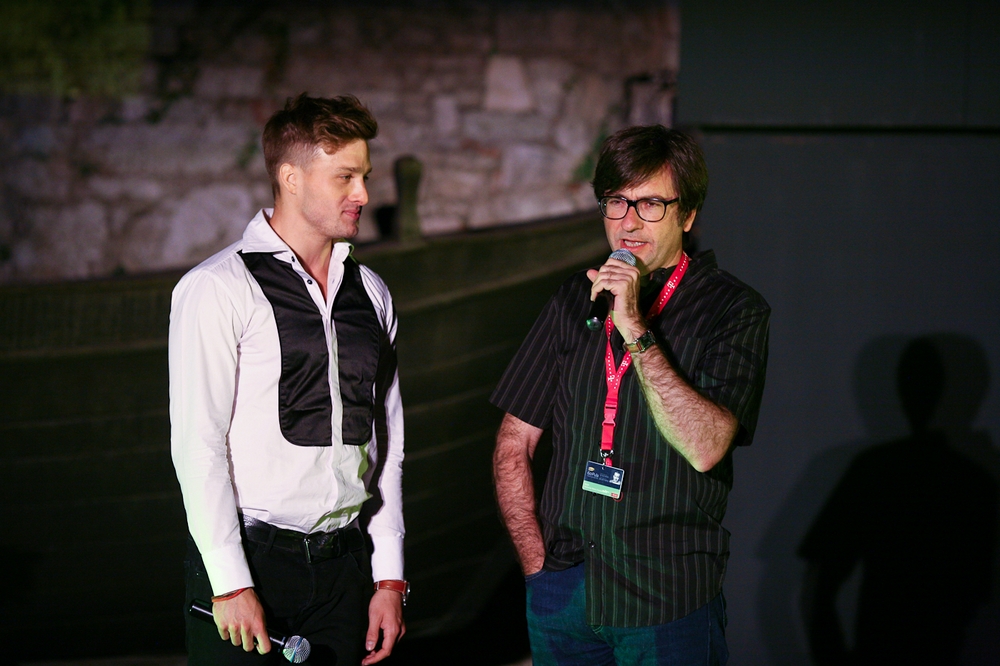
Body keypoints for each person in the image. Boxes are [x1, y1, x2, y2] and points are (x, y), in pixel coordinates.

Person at [491, 125, 770, 665]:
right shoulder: (574, 299)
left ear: (687, 215)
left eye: (651, 204)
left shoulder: (732, 309)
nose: (630, 221)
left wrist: (635, 329)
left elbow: (707, 447)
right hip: (565, 592)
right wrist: (536, 567)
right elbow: (513, 443)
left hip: (666, 599)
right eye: (617, 201)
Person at [170, 94, 407, 666]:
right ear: (291, 178)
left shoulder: (372, 293)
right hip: (251, 565)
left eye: (365, 176)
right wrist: (230, 582)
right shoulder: (218, 288)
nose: (363, 194)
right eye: (345, 177)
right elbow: (197, 444)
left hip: (346, 569)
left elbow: (389, 445)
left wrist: (389, 578)